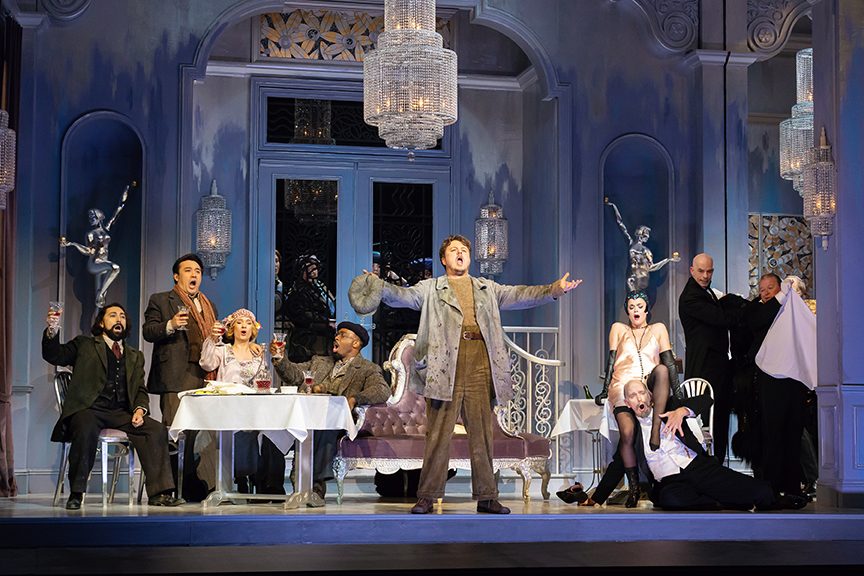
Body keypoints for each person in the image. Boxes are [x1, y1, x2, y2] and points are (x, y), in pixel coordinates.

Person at [349, 234, 581, 515]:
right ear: (443, 259)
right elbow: (403, 296)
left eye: (464, 250)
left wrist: (554, 289)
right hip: (443, 363)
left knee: (482, 433)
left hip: (479, 361)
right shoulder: (431, 288)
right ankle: (427, 496)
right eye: (453, 250)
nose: (460, 254)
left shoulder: (487, 288)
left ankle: (487, 496)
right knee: (438, 434)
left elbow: (520, 295)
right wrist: (379, 286)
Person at [41, 303, 183, 510]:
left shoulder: (134, 355)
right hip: (89, 408)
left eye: (122, 316)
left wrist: (140, 409)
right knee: (84, 426)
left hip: (120, 412)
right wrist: (52, 329)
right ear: (101, 322)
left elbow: (140, 389)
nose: (119, 319)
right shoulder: (85, 345)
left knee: (156, 430)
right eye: (113, 315)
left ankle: (159, 493)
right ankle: (77, 493)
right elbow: (55, 355)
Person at [143, 253, 260, 500]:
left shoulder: (209, 305)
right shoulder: (161, 300)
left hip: (205, 376)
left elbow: (222, 342)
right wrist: (171, 324)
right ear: (177, 276)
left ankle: (197, 487)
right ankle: (169, 489)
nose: (194, 275)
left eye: (197, 271)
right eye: (188, 270)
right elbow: (148, 331)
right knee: (177, 433)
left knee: (202, 435)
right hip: (175, 376)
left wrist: (249, 345)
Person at [621, 379, 807, 511]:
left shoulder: (670, 407)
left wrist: (682, 411)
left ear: (650, 395)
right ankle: (725, 500)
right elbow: (618, 463)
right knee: (671, 499)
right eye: (633, 396)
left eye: (642, 393)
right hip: (670, 482)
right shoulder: (631, 433)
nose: (639, 399)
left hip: (696, 466)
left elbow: (706, 400)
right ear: (627, 403)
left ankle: (776, 498)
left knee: (754, 489)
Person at [571, 290, 680, 508]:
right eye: (631, 307)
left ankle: (605, 494)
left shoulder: (658, 329)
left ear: (647, 309)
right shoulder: (619, 329)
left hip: (648, 387)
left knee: (660, 370)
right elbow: (611, 360)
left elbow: (668, 362)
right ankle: (634, 488)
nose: (636, 310)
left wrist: (678, 393)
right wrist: (605, 390)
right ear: (627, 311)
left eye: (640, 306)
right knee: (628, 433)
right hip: (622, 385)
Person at [270, 321, 390, 504]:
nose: (336, 337)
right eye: (337, 334)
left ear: (356, 343)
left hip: (336, 422)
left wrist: (355, 398)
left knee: (322, 429)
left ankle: (314, 488)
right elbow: (295, 375)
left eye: (342, 335)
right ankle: (271, 488)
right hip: (305, 417)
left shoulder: (367, 369)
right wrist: (279, 358)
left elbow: (382, 390)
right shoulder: (319, 362)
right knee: (272, 431)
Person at [199, 308, 285, 496]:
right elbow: (206, 363)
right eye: (239, 322)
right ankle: (241, 476)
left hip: (254, 408)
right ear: (232, 328)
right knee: (240, 433)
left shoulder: (258, 353)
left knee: (272, 433)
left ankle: (269, 486)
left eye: (248, 323)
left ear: (253, 329)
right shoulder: (223, 351)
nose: (244, 326)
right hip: (229, 409)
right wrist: (212, 339)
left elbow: (265, 381)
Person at [745, 273, 809, 499]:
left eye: (770, 288)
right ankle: (771, 487)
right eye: (762, 290)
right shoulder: (757, 310)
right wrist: (781, 297)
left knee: (793, 431)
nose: (765, 293)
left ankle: (793, 487)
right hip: (770, 380)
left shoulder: (794, 310)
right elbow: (760, 319)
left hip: (795, 379)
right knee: (773, 432)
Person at [678, 253, 745, 464]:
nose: (705, 276)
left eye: (709, 271)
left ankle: (717, 464)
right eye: (701, 271)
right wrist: (750, 311)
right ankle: (710, 468)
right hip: (705, 369)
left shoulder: (705, 293)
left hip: (716, 368)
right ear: (692, 270)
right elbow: (721, 318)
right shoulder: (691, 297)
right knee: (707, 422)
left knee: (719, 418)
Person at [59, 182, 132, 308]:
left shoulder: (106, 228)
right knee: (115, 268)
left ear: (99, 217)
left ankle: (99, 302)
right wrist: (72, 244)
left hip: (104, 262)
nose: (91, 218)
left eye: (93, 216)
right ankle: (100, 294)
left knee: (99, 304)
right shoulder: (91, 234)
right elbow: (89, 251)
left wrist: (126, 190)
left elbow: (119, 209)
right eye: (89, 217)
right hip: (95, 263)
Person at [605, 198, 679, 292]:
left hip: (641, 280)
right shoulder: (631, 243)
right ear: (640, 234)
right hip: (631, 278)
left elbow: (651, 267)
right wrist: (613, 206)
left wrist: (668, 260)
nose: (647, 237)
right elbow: (621, 224)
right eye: (646, 235)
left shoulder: (646, 251)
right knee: (631, 298)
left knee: (640, 299)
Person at [284, 254, 336, 361]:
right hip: (307, 341)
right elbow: (302, 316)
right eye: (309, 268)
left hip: (323, 338)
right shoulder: (298, 291)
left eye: (315, 268)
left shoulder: (319, 288)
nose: (313, 272)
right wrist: (326, 322)